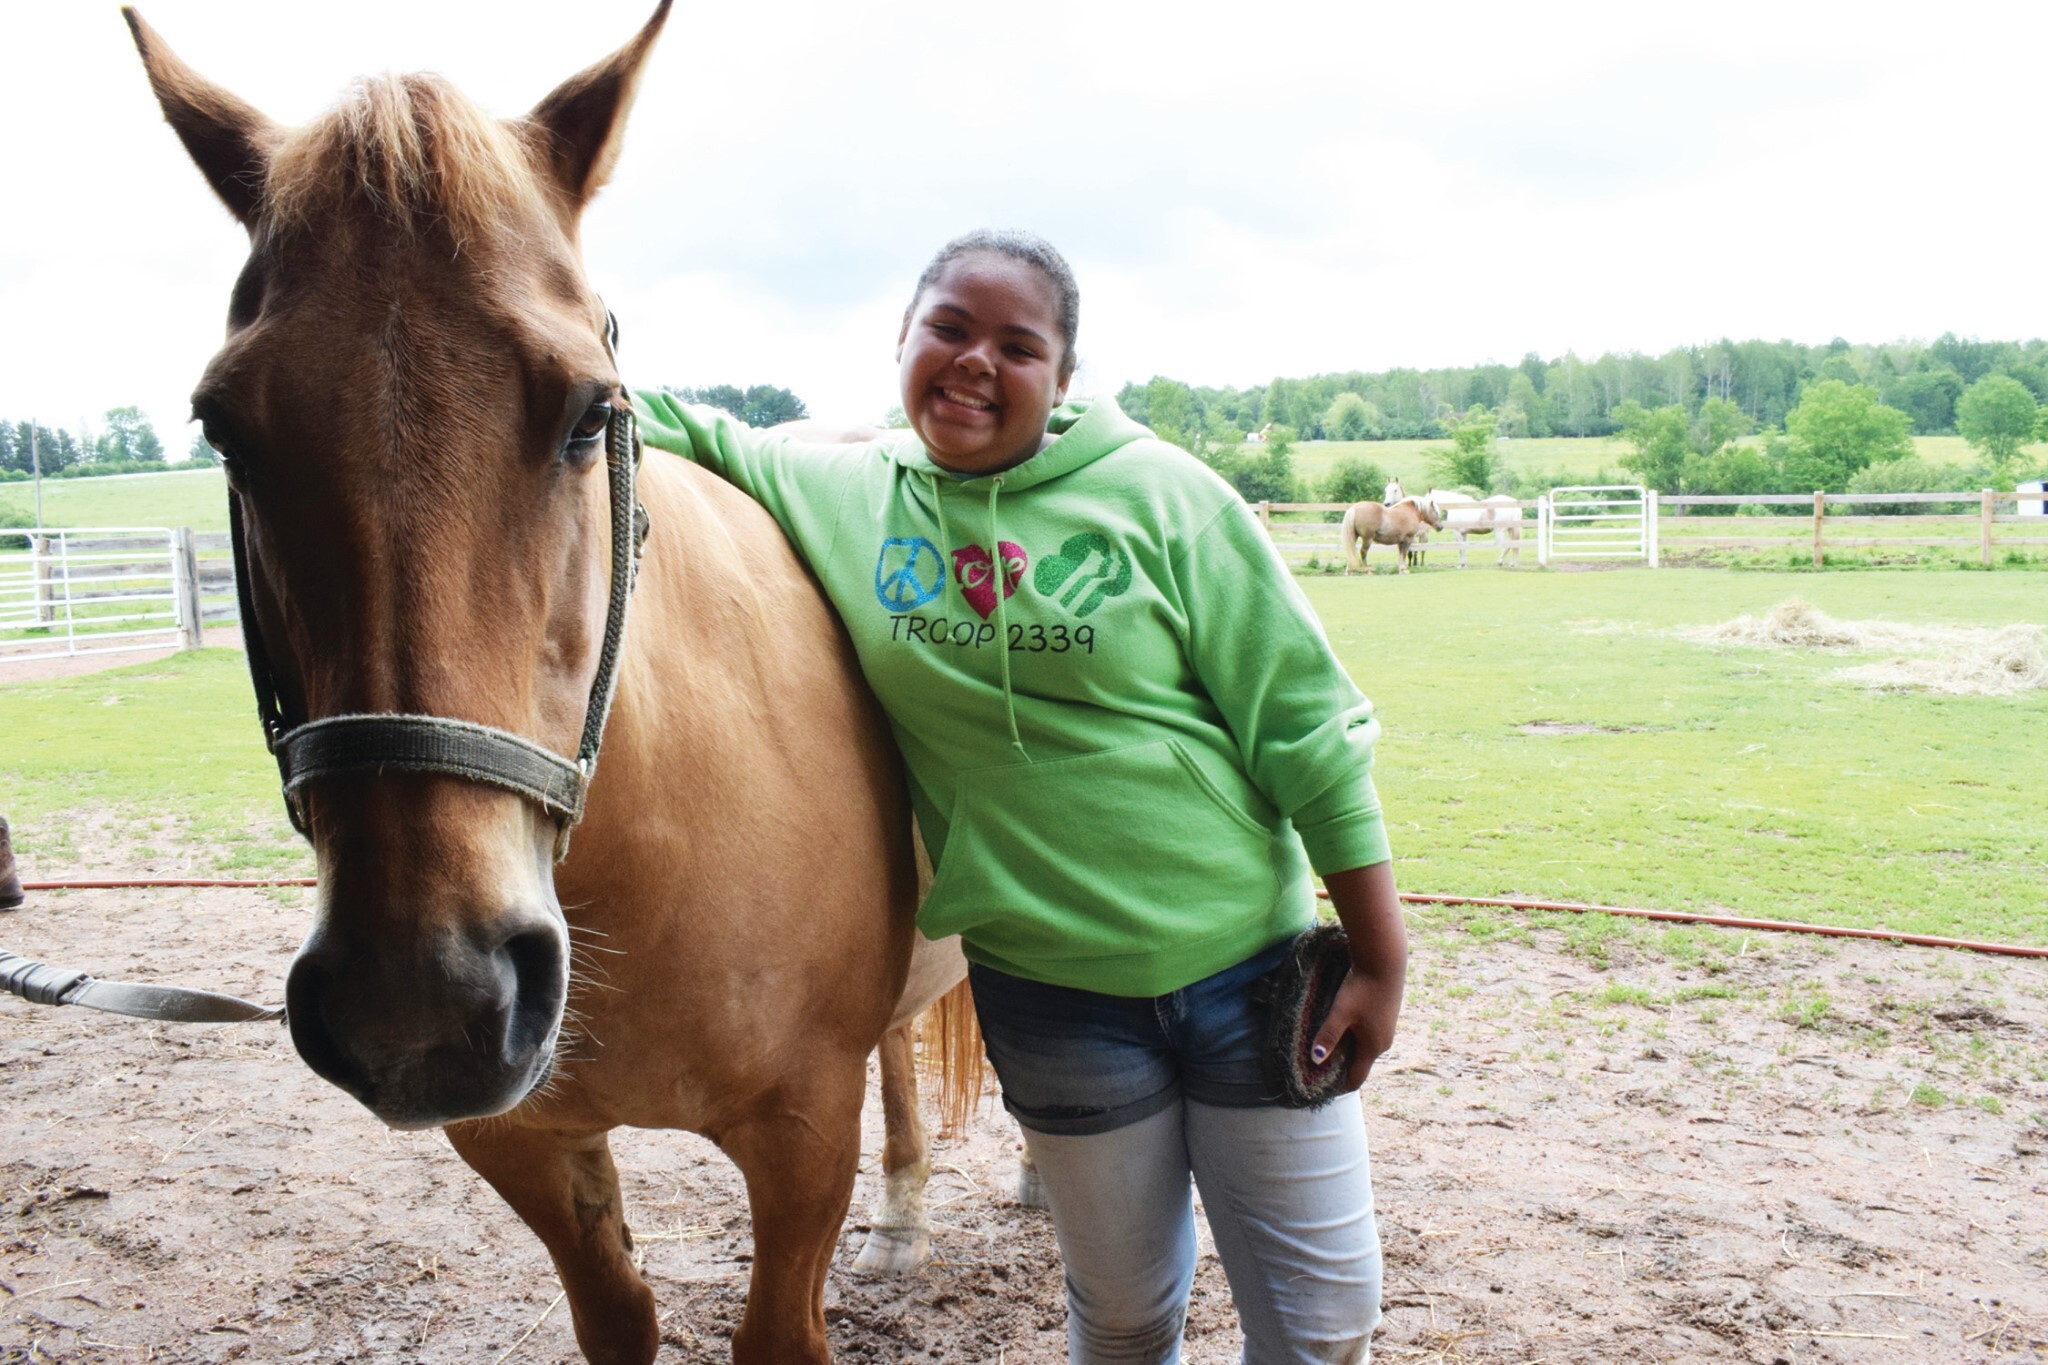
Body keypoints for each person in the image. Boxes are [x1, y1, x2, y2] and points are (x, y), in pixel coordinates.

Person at [633, 229, 1407, 1364]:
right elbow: (686, 428)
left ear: (1061, 376)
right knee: (1125, 1316)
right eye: (947, 328)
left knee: (1321, 1321)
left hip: (1247, 971)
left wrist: (1380, 955)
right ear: (900, 339)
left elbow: (1306, 729)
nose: (974, 362)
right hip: (1054, 1001)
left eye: (1017, 345)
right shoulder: (844, 489)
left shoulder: (1165, 498)